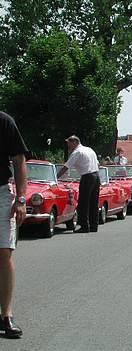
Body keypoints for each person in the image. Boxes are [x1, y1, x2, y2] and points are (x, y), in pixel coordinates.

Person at [0, 112, 28, 338]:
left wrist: (21, 199)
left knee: (4, 252)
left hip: (0, 194)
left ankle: (6, 316)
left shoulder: (4, 121)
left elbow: (19, 160)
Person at [57, 136, 100, 233]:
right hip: (96, 175)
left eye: (69, 142)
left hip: (87, 177)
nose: (68, 145)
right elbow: (98, 164)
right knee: (94, 202)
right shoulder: (89, 149)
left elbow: (66, 167)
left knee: (83, 202)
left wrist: (56, 177)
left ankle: (84, 226)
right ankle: (94, 225)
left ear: (75, 142)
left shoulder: (77, 152)